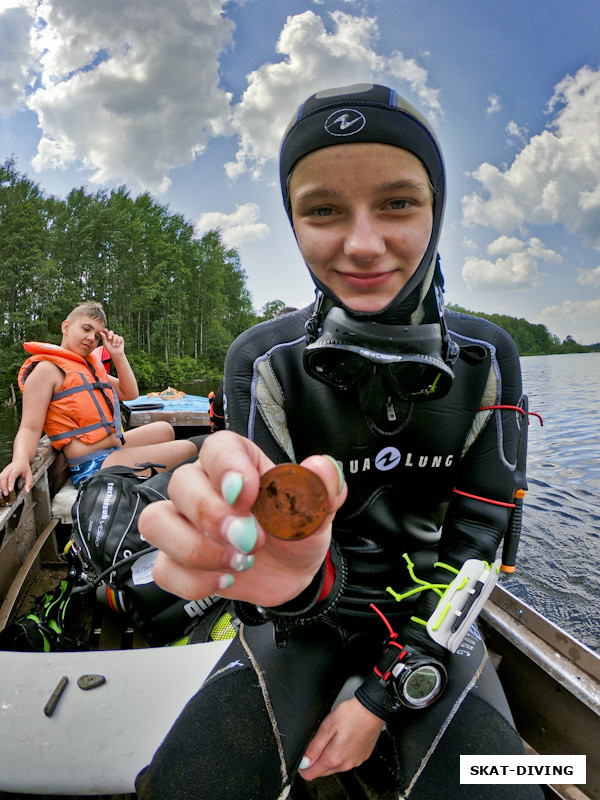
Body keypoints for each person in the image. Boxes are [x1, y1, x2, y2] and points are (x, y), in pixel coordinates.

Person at [134, 85, 542, 800]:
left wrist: (383, 696)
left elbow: (479, 551)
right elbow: (270, 581)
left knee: (537, 778)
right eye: (323, 209)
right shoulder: (264, 359)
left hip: (437, 621)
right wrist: (283, 580)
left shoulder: (487, 355)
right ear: (292, 223)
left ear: (437, 210)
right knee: (179, 786)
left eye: (398, 203)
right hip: (310, 618)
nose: (361, 244)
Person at [0, 301, 198, 496]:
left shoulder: (88, 367)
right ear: (66, 327)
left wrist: (118, 356)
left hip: (111, 445)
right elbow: (29, 428)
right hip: (90, 464)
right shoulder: (46, 371)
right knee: (187, 449)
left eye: (96, 336)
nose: (90, 338)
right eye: (86, 329)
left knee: (165, 429)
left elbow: (129, 393)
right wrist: (19, 459)